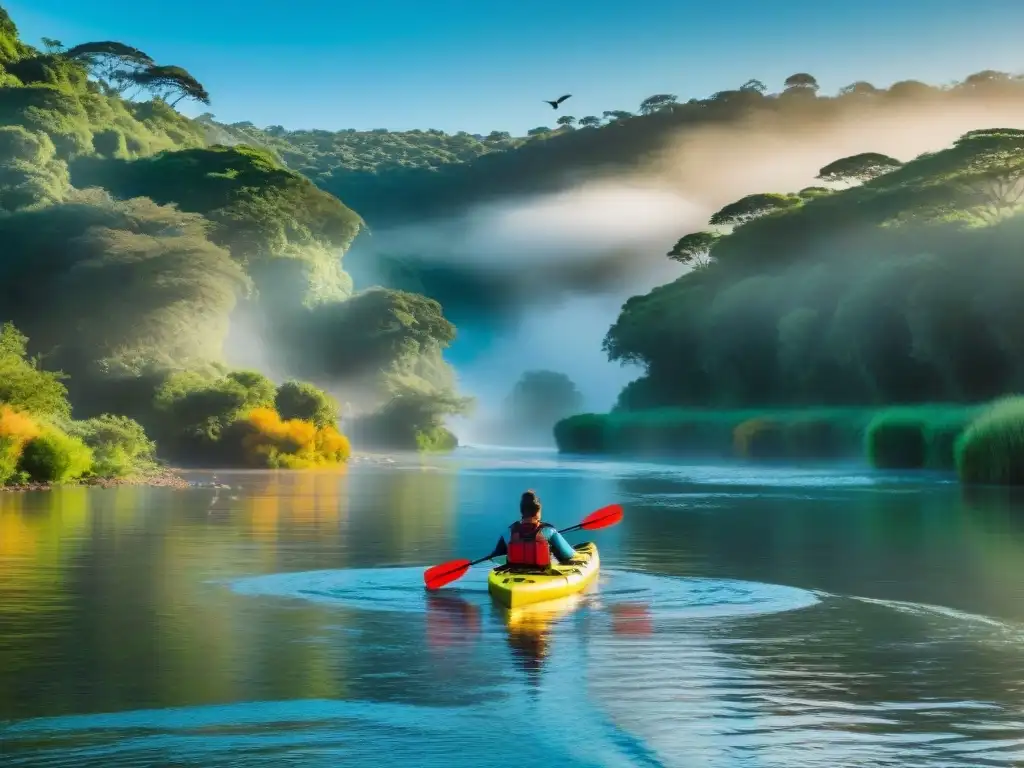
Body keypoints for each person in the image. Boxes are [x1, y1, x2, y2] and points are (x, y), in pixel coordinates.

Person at [493, 490, 577, 569]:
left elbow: (496, 557)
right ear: (538, 512)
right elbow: (568, 554)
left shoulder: (509, 532)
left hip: (514, 572)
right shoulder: (549, 530)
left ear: (521, 512)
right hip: (541, 574)